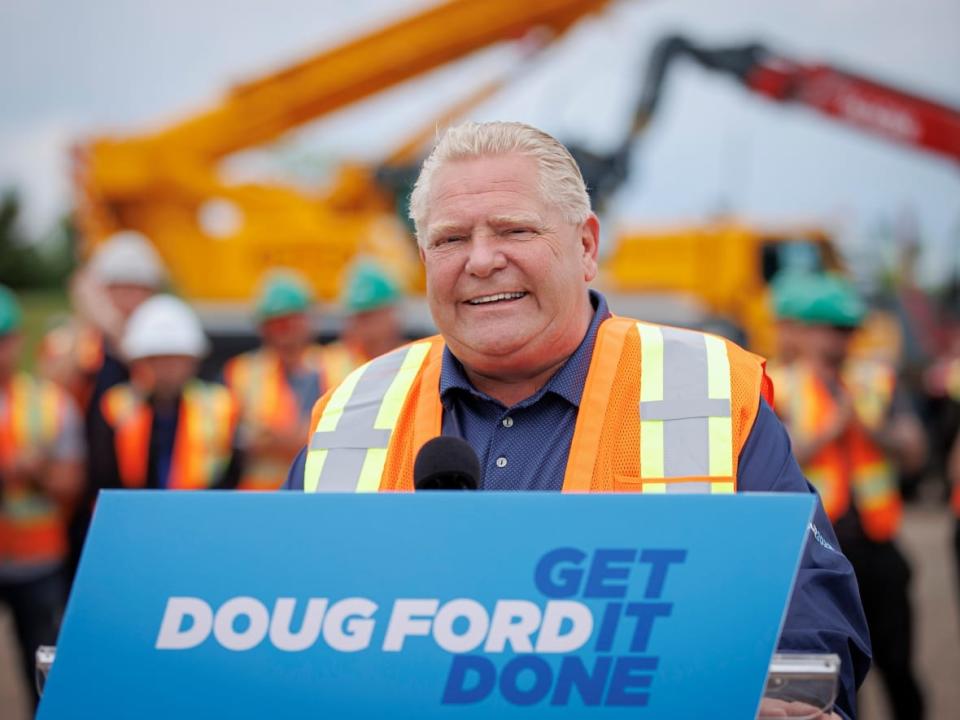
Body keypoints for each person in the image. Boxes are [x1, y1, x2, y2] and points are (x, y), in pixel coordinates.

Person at [285, 121, 869, 719]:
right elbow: (279, 626)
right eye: (451, 239)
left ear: (587, 247)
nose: (482, 260)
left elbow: (810, 624)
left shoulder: (711, 391)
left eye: (515, 230)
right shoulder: (353, 411)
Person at [771, 273, 926, 720]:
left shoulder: (876, 382)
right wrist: (831, 430)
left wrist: (871, 427)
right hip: (814, 553)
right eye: (832, 328)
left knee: (898, 666)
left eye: (848, 329)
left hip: (877, 547)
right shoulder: (778, 385)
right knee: (822, 676)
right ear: (800, 330)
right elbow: (776, 457)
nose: (843, 340)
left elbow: (914, 450)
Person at [0, 286, 84, 707]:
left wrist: (39, 472)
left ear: (16, 342)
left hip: (37, 559)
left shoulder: (52, 404)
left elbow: (72, 482)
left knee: (45, 677)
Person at [90, 295, 241, 491]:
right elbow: (102, 476)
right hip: (136, 514)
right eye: (156, 360)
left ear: (193, 362)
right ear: (138, 363)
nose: (166, 369)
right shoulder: (116, 406)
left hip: (201, 513)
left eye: (174, 360)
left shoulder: (220, 405)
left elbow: (234, 473)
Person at [223, 270, 347, 490]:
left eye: (290, 322)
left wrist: (278, 440)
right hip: (263, 497)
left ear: (309, 320)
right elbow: (239, 440)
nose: (283, 332)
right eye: (275, 324)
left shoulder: (341, 363)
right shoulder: (243, 372)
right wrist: (306, 438)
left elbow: (347, 435)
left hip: (323, 489)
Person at [329, 259, 406, 368]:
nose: (363, 327)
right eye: (358, 318)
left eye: (370, 316)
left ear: (391, 314)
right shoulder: (332, 364)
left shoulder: (415, 355)